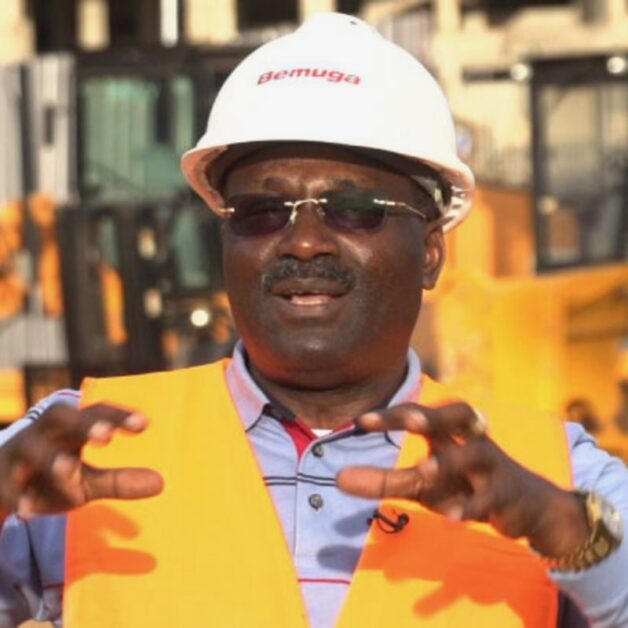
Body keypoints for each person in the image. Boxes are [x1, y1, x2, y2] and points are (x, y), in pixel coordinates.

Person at [1, 12, 627, 627]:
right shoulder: (74, 453)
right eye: (261, 211)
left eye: (354, 208)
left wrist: (568, 532)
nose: (303, 242)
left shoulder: (552, 474)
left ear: (431, 252)